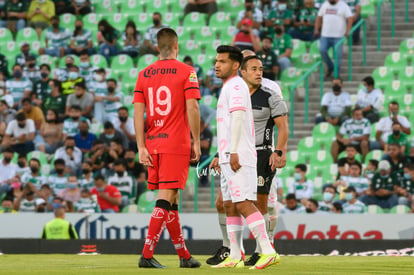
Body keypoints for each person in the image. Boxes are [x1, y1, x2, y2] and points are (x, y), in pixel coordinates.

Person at [208, 49, 288, 266]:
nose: (217, 65)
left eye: (222, 62)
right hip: (230, 152)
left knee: (247, 202)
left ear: (236, 66)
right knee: (229, 203)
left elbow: (238, 119)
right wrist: (221, 152)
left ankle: (267, 248)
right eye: (216, 61)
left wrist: (234, 150)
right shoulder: (233, 87)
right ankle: (235, 254)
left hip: (247, 153)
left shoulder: (240, 87)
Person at [133, 28, 201, 269]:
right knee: (166, 197)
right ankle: (146, 253)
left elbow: (138, 112)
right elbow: (192, 107)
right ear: (176, 46)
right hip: (175, 143)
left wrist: (141, 146)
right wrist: (196, 140)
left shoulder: (144, 74)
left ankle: (184, 255)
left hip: (153, 143)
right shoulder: (187, 72)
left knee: (171, 199)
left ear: (156, 46)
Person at [314, 0, 352, 78]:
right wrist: (316, 29)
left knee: (337, 56)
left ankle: (336, 75)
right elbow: (319, 17)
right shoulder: (325, 5)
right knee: (322, 50)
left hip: (338, 36)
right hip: (325, 35)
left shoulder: (343, 5)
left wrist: (348, 31)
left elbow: (350, 19)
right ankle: (330, 66)